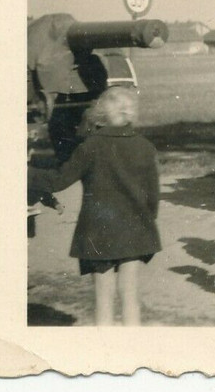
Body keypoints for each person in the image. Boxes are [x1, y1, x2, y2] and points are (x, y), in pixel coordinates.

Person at [27, 87, 161, 326]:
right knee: (130, 296)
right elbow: (152, 197)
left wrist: (27, 173)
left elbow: (59, 180)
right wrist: (146, 221)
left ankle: (104, 354)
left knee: (104, 299)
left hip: (99, 234)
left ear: (99, 114)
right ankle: (135, 351)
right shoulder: (145, 147)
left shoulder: (90, 147)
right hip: (135, 230)